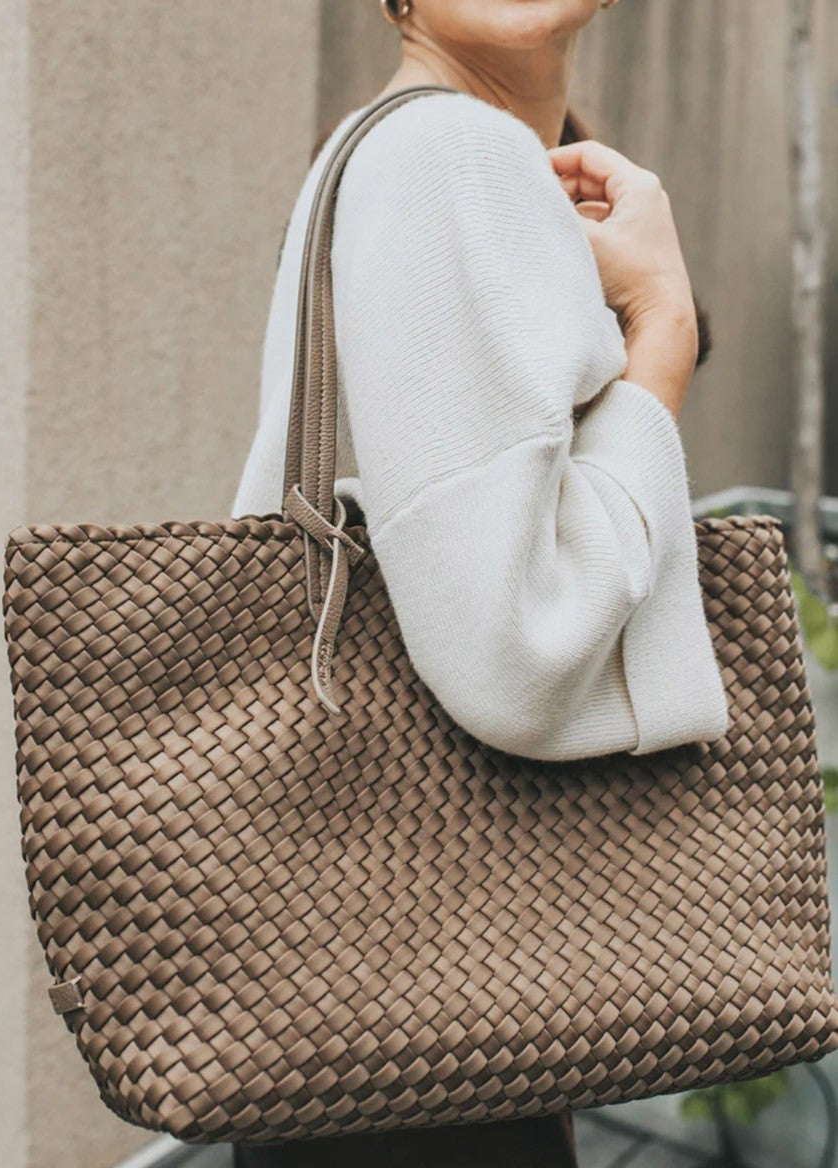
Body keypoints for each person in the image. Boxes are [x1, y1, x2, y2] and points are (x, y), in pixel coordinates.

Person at [231, 0, 729, 1162]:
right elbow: (520, 652)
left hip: (366, 992)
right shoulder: (453, 148)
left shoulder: (398, 145)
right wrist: (660, 328)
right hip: (434, 1025)